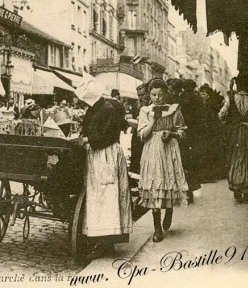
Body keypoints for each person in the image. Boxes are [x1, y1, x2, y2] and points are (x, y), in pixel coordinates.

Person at [76, 75, 132, 256]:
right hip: (97, 155)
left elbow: (108, 135)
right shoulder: (94, 109)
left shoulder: (107, 110)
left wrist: (87, 139)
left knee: (107, 197)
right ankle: (98, 237)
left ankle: (106, 242)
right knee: (98, 197)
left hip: (106, 155)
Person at [138, 79, 189, 242]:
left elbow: (182, 131)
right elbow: (142, 136)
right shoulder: (145, 111)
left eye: (160, 94)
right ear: (149, 95)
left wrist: (172, 134)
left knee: (168, 181)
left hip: (169, 150)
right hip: (152, 149)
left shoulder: (174, 110)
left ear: (166, 94)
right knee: (154, 185)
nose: (157, 98)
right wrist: (153, 120)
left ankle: (169, 209)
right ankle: (157, 228)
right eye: (153, 95)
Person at [219, 76, 248, 202]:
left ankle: (236, 188)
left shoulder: (230, 98)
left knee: (235, 158)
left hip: (235, 132)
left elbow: (222, 114)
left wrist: (229, 121)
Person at [178, 78, 203, 203]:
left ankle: (187, 191)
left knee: (184, 162)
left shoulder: (182, 98)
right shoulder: (197, 97)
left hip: (185, 133)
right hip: (195, 134)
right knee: (190, 163)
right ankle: (191, 191)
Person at [127, 83, 151, 175]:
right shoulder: (137, 104)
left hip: (147, 137)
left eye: (142, 95)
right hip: (136, 138)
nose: (140, 97)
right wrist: (128, 116)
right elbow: (130, 115)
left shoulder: (152, 105)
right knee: (136, 159)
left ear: (148, 93)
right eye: (138, 95)